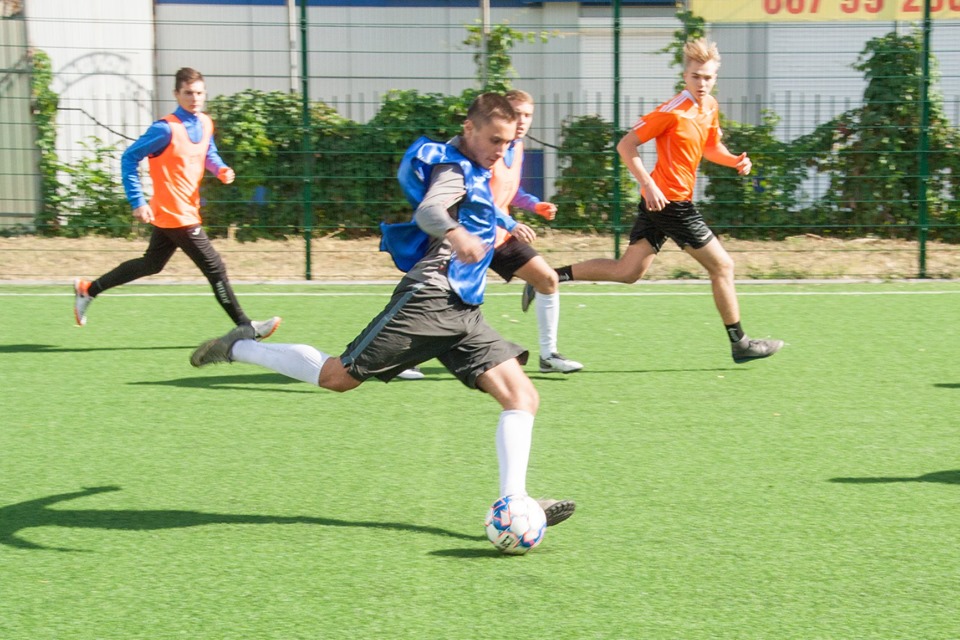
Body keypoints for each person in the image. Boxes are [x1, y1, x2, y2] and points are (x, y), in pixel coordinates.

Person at [189, 94, 575, 529]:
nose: (501, 150)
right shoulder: (453, 169)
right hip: (430, 299)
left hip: (464, 309)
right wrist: (456, 234)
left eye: (506, 143)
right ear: (469, 128)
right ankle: (239, 347)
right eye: (494, 140)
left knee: (523, 397)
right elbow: (430, 210)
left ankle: (515, 501)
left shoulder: (477, 168)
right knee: (337, 378)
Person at [527, 39, 783, 364]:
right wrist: (647, 184)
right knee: (723, 266)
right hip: (671, 203)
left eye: (707, 77)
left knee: (628, 271)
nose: (701, 83)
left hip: (663, 202)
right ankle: (740, 343)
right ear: (684, 75)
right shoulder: (672, 111)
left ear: (715, 77)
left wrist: (735, 161)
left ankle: (548, 276)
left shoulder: (709, 107)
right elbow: (626, 145)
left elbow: (709, 147)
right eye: (695, 76)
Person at [73, 67, 280, 342]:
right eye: (188, 93)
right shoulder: (164, 129)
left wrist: (219, 169)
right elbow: (129, 158)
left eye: (199, 93)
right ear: (176, 94)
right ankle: (245, 326)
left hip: (183, 210)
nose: (195, 98)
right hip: (176, 214)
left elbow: (208, 152)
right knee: (215, 267)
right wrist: (137, 201)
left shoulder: (205, 123)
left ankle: (88, 289)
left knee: (151, 264)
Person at [399, 89, 581, 380]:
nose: (521, 121)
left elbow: (511, 191)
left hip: (497, 238)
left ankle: (549, 355)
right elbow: (476, 195)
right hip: (467, 236)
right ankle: (403, 357)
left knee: (547, 279)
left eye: (527, 115)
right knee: (440, 298)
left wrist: (534, 205)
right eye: (516, 114)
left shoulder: (513, 148)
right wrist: (509, 223)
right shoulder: (477, 151)